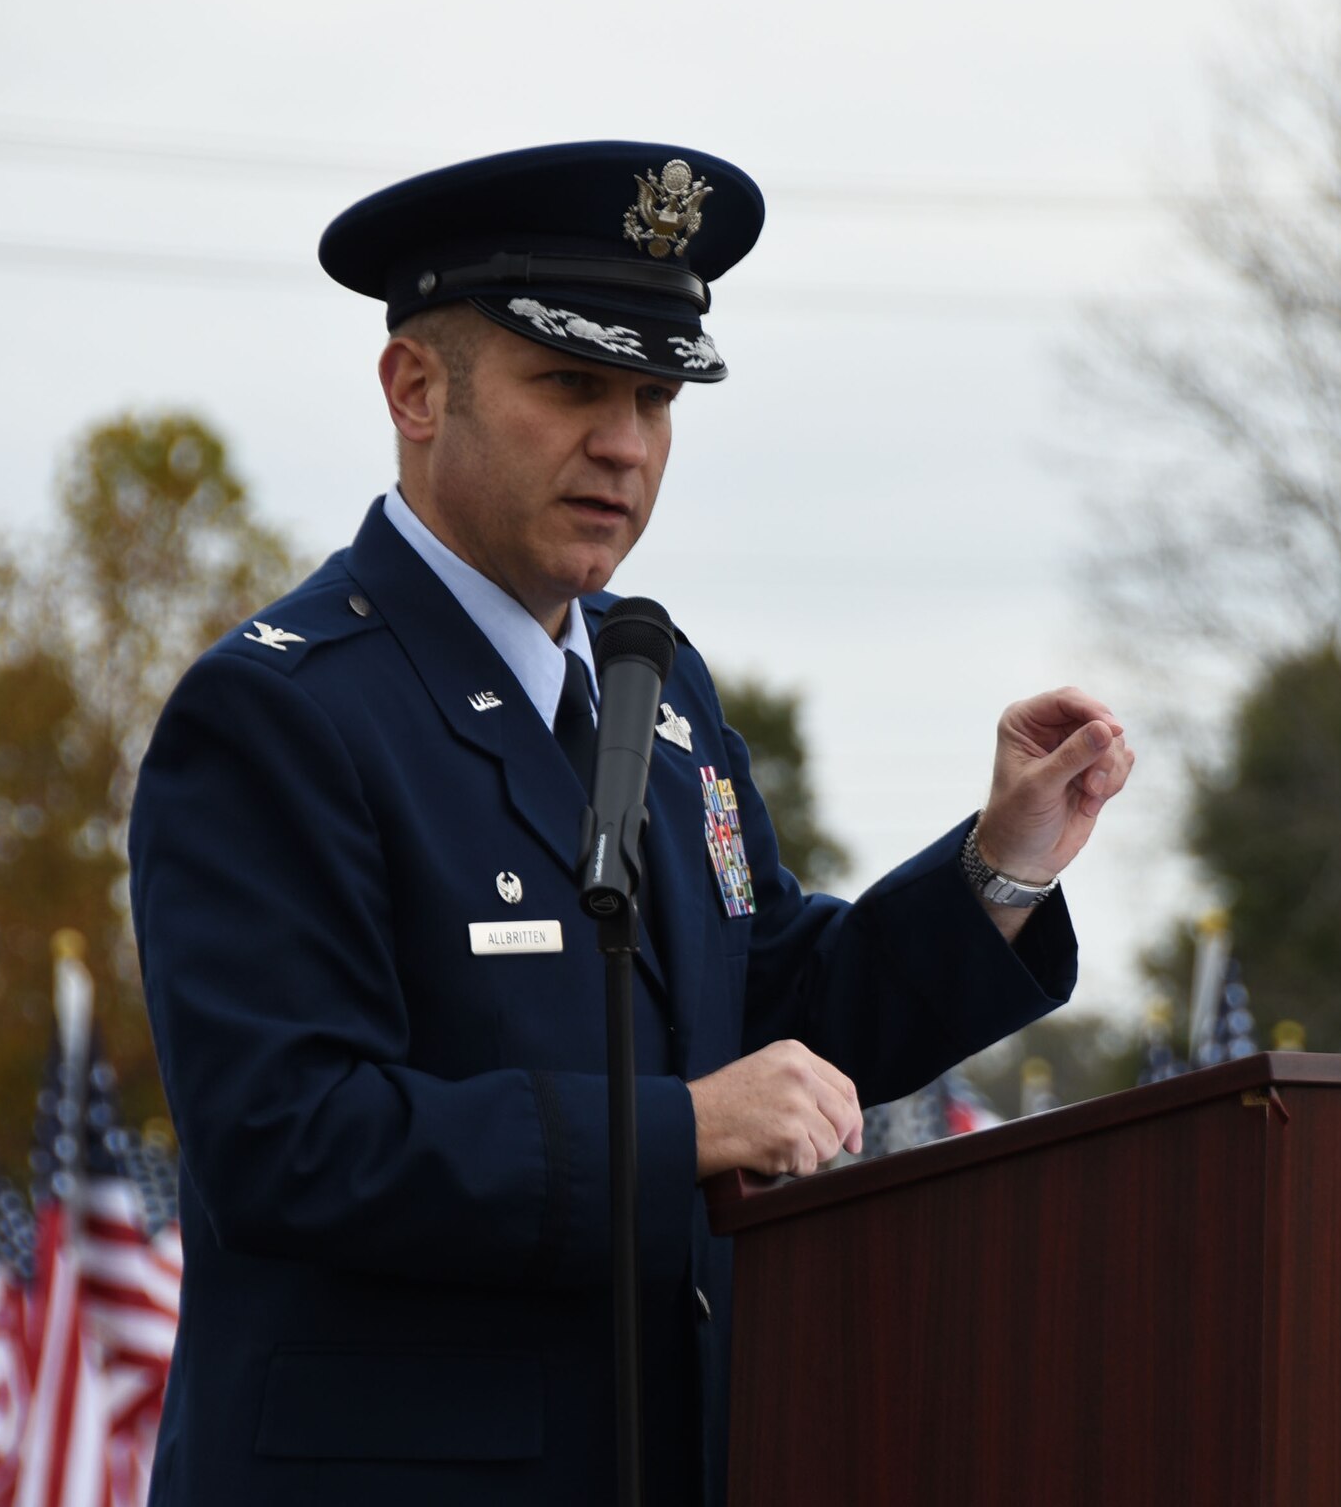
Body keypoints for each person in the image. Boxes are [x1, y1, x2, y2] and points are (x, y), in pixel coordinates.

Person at [127, 141, 1133, 1507]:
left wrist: (997, 872)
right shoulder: (282, 716)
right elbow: (293, 1143)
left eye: (656, 399)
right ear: (415, 390)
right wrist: (684, 1131)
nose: (626, 444)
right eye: (572, 385)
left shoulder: (654, 692)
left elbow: (769, 1005)